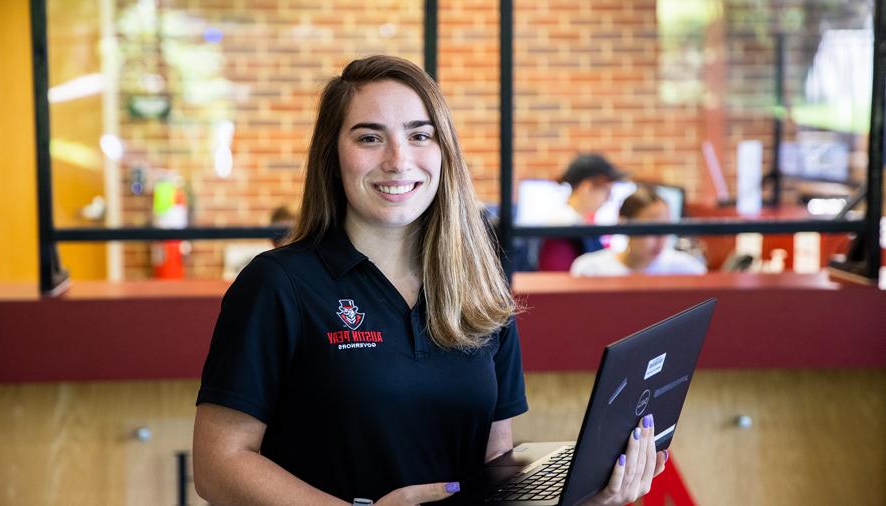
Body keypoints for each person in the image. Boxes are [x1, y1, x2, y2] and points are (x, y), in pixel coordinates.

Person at [193, 55, 666, 506]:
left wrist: (593, 495)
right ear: (332, 154)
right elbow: (218, 465)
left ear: (444, 152)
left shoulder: (478, 289)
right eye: (369, 138)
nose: (399, 160)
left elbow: (492, 467)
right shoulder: (278, 285)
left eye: (420, 136)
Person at [570, 185, 707, 276]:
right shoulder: (590, 270)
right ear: (624, 224)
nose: (660, 239)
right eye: (652, 229)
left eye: (666, 228)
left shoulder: (686, 270)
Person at [538, 153, 627, 271]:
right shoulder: (565, 226)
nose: (608, 198)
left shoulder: (576, 223)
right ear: (587, 187)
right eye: (606, 191)